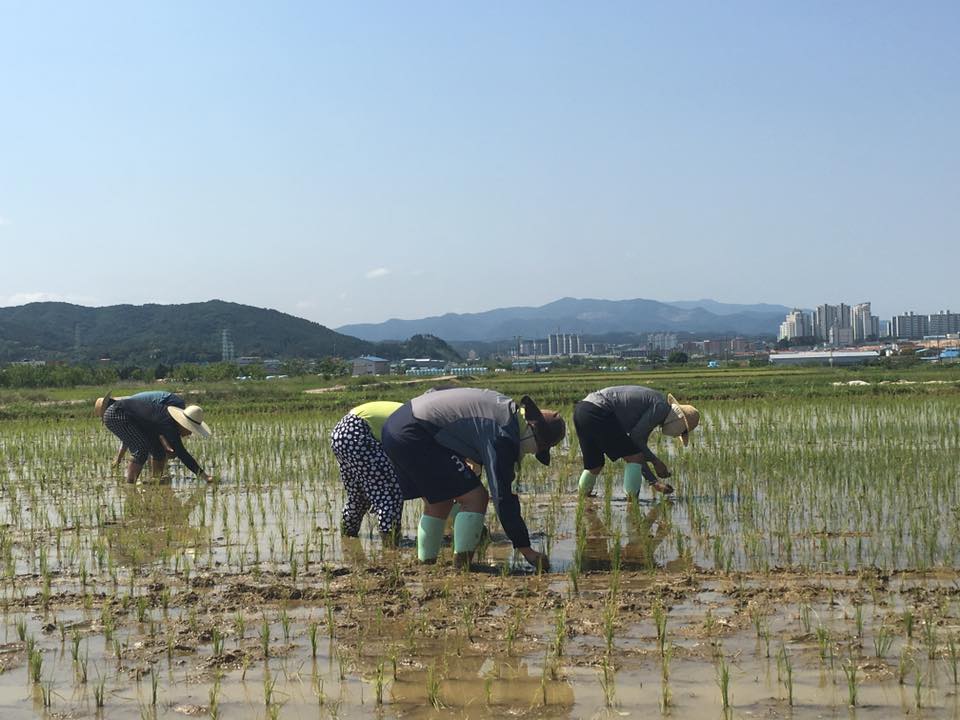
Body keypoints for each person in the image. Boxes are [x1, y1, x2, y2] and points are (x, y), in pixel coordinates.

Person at [381, 387, 566, 570]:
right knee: (476, 498)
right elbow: (502, 496)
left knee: (440, 501)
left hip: (397, 426)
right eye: (538, 449)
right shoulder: (503, 433)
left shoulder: (507, 411)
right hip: (416, 432)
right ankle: (462, 565)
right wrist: (526, 549)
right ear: (536, 436)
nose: (532, 453)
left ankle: (426, 563)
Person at [574, 386, 699, 499]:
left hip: (582, 410)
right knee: (634, 458)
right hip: (599, 410)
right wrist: (656, 463)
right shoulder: (660, 408)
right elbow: (636, 448)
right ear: (679, 422)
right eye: (682, 432)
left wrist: (653, 479)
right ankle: (632, 502)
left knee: (594, 464)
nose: (677, 435)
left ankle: (583, 499)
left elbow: (638, 447)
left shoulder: (657, 405)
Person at [330, 401, 406, 544]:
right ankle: (390, 541)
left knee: (358, 495)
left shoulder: (411, 410)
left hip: (340, 433)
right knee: (389, 491)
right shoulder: (417, 419)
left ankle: (348, 536)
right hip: (358, 433)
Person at [96, 391, 213, 484]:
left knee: (158, 450)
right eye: (190, 429)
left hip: (128, 416)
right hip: (116, 414)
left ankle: (155, 480)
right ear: (183, 424)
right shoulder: (169, 424)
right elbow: (182, 454)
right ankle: (130, 484)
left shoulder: (168, 421)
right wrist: (205, 476)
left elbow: (164, 444)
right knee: (141, 449)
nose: (190, 434)